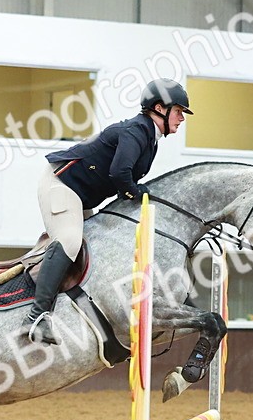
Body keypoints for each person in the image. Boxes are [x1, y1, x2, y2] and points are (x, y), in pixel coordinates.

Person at [25, 78, 193, 345]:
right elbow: (119, 174)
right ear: (160, 108)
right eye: (179, 111)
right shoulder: (137, 131)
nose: (182, 118)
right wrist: (139, 192)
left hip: (80, 195)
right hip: (60, 185)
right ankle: (37, 316)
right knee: (69, 241)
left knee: (97, 249)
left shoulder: (150, 138)